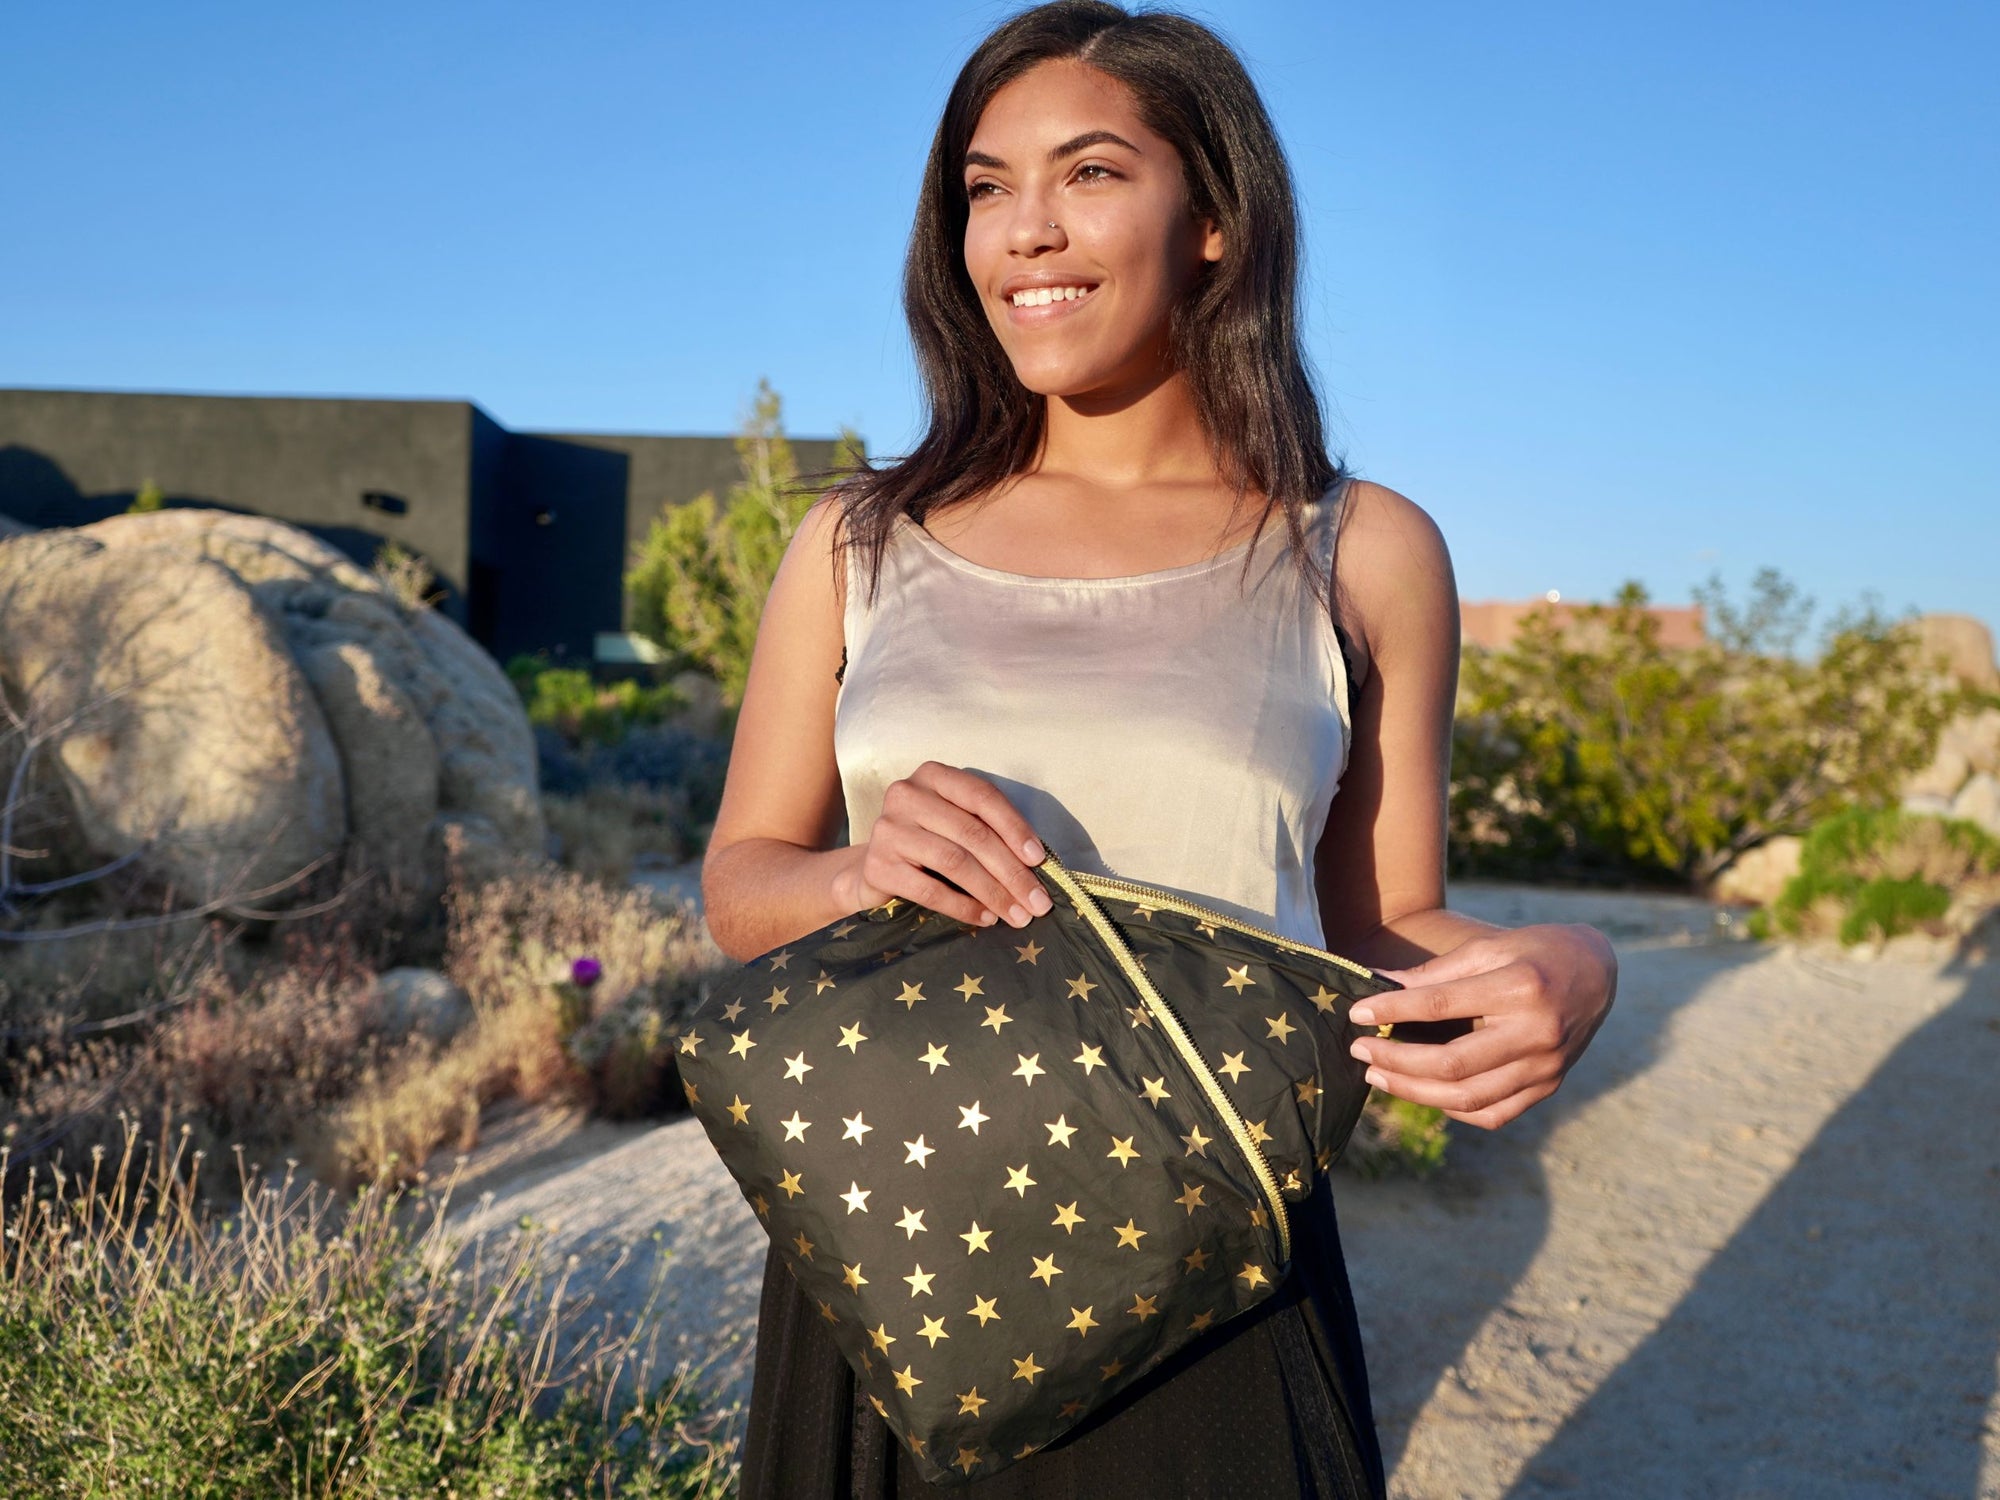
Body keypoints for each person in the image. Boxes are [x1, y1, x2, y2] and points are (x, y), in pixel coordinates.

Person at [699, 3, 1618, 1494]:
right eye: (986, 189)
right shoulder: (857, 543)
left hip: (1215, 1271)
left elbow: (1375, 927)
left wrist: (1577, 967)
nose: (1026, 234)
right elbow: (742, 889)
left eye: (1091, 174)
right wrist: (865, 872)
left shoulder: (1362, 550)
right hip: (890, 1257)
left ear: (1213, 219)